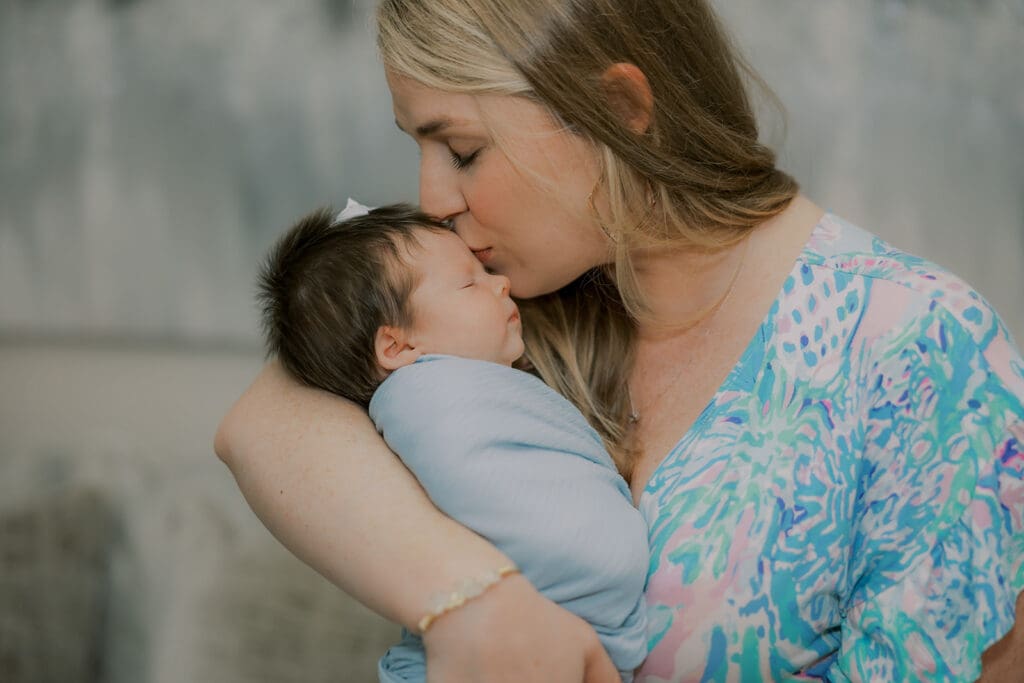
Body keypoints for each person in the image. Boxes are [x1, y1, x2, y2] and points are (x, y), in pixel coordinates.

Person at [215, 0, 1024, 680]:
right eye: (418, 146)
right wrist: (473, 598)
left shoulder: (922, 350)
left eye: (461, 150)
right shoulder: (500, 305)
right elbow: (263, 423)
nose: (432, 198)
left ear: (621, 112)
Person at [255, 200, 648, 681]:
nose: (500, 283)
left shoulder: (462, 380)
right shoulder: (425, 401)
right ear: (399, 347)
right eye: (469, 282)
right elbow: (493, 493)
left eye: (483, 272)